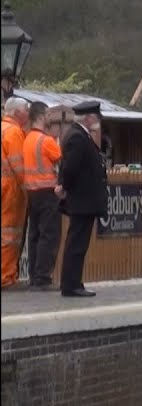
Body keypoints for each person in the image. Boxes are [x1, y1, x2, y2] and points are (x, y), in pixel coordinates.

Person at [57, 100, 109, 298]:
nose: (97, 121)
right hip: (82, 201)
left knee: (78, 243)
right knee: (76, 244)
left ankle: (74, 282)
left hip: (83, 200)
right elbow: (71, 167)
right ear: (88, 118)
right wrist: (64, 187)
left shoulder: (78, 135)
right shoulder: (78, 137)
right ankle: (71, 286)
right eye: (95, 118)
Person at [22, 102, 62, 289]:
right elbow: (63, 160)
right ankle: (43, 277)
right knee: (49, 235)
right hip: (47, 192)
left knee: (35, 235)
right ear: (40, 115)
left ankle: (34, 276)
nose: (49, 118)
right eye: (47, 114)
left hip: (32, 192)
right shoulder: (46, 141)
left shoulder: (27, 139)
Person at [1, 96, 31, 289]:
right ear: (17, 112)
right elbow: (19, 167)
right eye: (26, 109)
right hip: (9, 190)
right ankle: (6, 277)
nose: (28, 113)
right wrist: (27, 189)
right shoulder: (14, 132)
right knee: (8, 235)